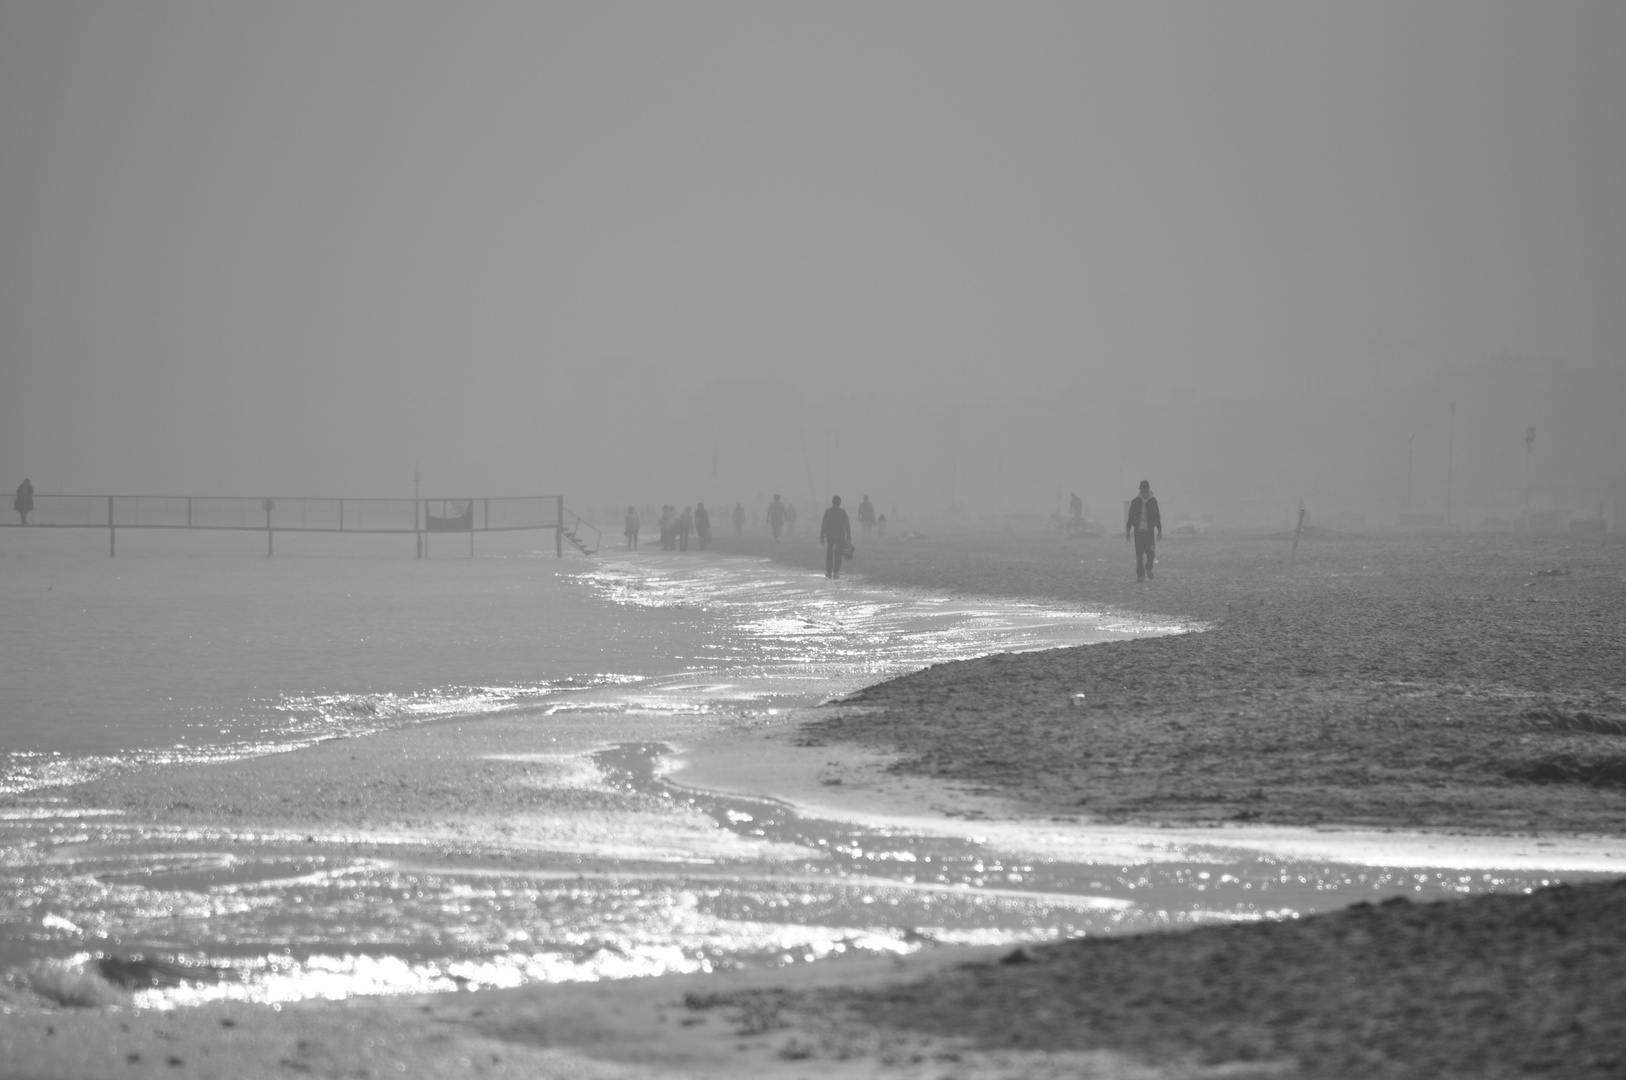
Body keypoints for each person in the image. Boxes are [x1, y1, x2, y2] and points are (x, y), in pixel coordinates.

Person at [1125, 480, 1162, 581]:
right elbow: (1131, 517)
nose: (1144, 494)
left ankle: (1149, 567)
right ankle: (1140, 575)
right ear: (1140, 491)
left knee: (1151, 554)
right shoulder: (1135, 502)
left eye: (1146, 491)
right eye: (1142, 492)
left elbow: (1157, 516)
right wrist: (1128, 531)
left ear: (1149, 490)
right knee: (1139, 556)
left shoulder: (1153, 501)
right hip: (1139, 533)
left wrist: (1159, 530)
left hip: (1149, 533)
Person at [820, 495, 852, 579]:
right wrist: (848, 536)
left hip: (830, 535)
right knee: (838, 554)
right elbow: (847, 525)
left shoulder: (828, 511)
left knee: (829, 553)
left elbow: (824, 524)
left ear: (832, 502)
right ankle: (836, 571)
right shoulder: (842, 512)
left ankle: (829, 571)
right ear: (839, 502)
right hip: (840, 535)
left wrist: (822, 536)